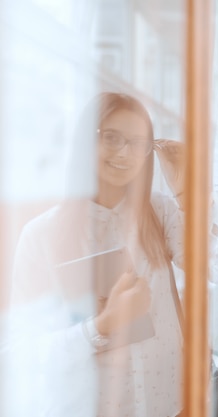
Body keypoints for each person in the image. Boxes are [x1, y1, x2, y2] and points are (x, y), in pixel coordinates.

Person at [7, 92, 184, 416]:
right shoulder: (40, 235)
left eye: (137, 142)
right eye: (111, 138)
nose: (124, 153)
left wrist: (187, 189)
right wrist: (102, 326)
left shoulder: (161, 212)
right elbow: (23, 355)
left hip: (167, 404)